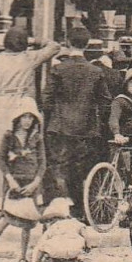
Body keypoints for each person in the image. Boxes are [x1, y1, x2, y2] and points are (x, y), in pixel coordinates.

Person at [0, 26, 62, 212]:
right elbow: (55, 46)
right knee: (26, 151)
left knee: (2, 153)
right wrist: (34, 41)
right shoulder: (29, 58)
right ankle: (27, 199)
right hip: (22, 106)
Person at [45, 26, 114, 214]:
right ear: (87, 45)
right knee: (81, 169)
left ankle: (60, 208)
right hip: (86, 129)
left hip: (60, 127)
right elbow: (105, 101)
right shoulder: (95, 71)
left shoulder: (58, 69)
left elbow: (47, 99)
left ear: (68, 43)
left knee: (59, 166)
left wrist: (52, 119)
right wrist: (97, 122)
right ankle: (79, 210)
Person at [0, 108, 47, 262]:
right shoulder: (8, 137)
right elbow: (1, 161)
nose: (27, 121)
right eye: (24, 117)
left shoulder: (37, 138)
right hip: (13, 184)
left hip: (31, 184)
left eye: (30, 118)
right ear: (17, 118)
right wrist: (10, 180)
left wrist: (35, 183)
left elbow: (43, 163)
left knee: (28, 221)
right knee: (6, 218)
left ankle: (22, 257)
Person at [34, 197, 88, 262]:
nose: (51, 221)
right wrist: (87, 244)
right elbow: (84, 232)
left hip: (55, 251)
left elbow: (42, 241)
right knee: (74, 255)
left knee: (48, 248)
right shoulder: (74, 223)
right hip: (72, 251)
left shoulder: (53, 227)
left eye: (51, 220)